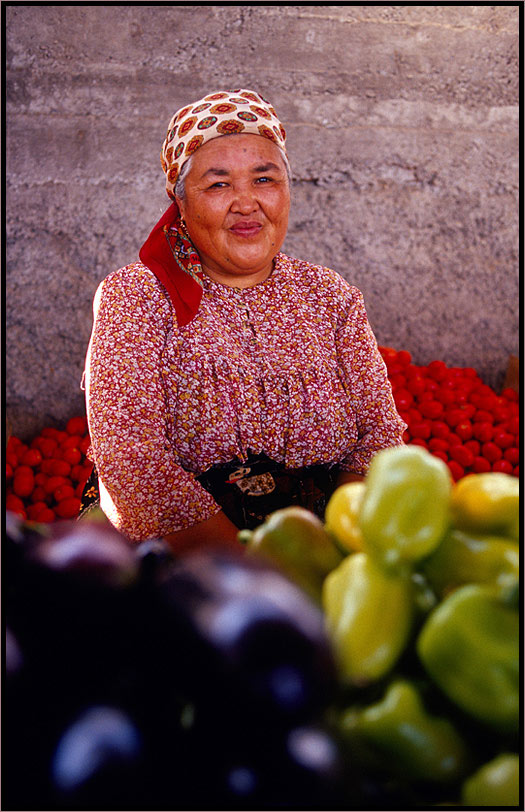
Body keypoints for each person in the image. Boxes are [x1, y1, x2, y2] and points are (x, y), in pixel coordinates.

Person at [82, 88, 406, 553]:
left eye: (264, 179)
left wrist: (335, 554)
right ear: (181, 202)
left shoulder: (331, 296)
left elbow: (380, 436)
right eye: (218, 184)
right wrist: (257, 578)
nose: (246, 203)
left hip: (323, 555)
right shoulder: (137, 297)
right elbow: (133, 465)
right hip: (186, 562)